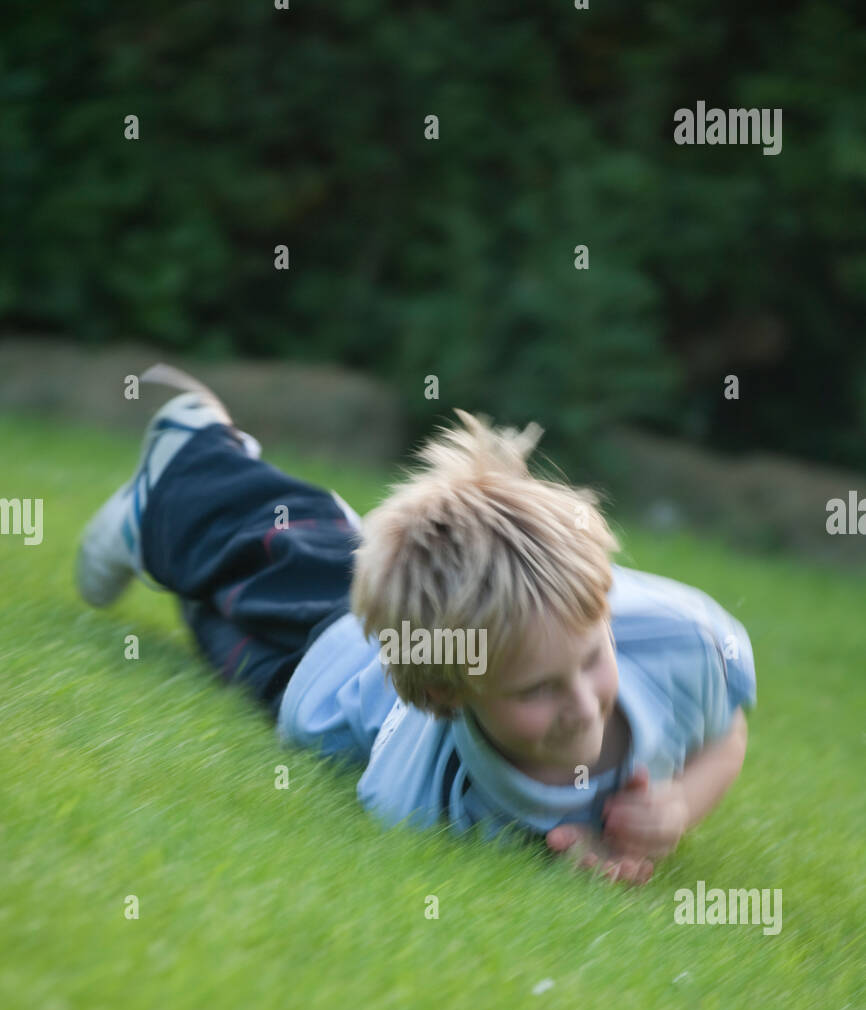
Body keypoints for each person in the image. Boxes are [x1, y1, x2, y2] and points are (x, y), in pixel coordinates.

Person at [76, 365, 755, 885]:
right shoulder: (423, 785)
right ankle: (189, 458)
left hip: (297, 694)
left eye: (589, 659)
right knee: (271, 546)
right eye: (535, 690)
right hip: (341, 646)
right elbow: (426, 814)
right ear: (445, 696)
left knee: (216, 632)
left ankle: (173, 544)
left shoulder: (681, 647)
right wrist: (542, 852)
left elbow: (726, 732)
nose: (583, 705)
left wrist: (678, 808)